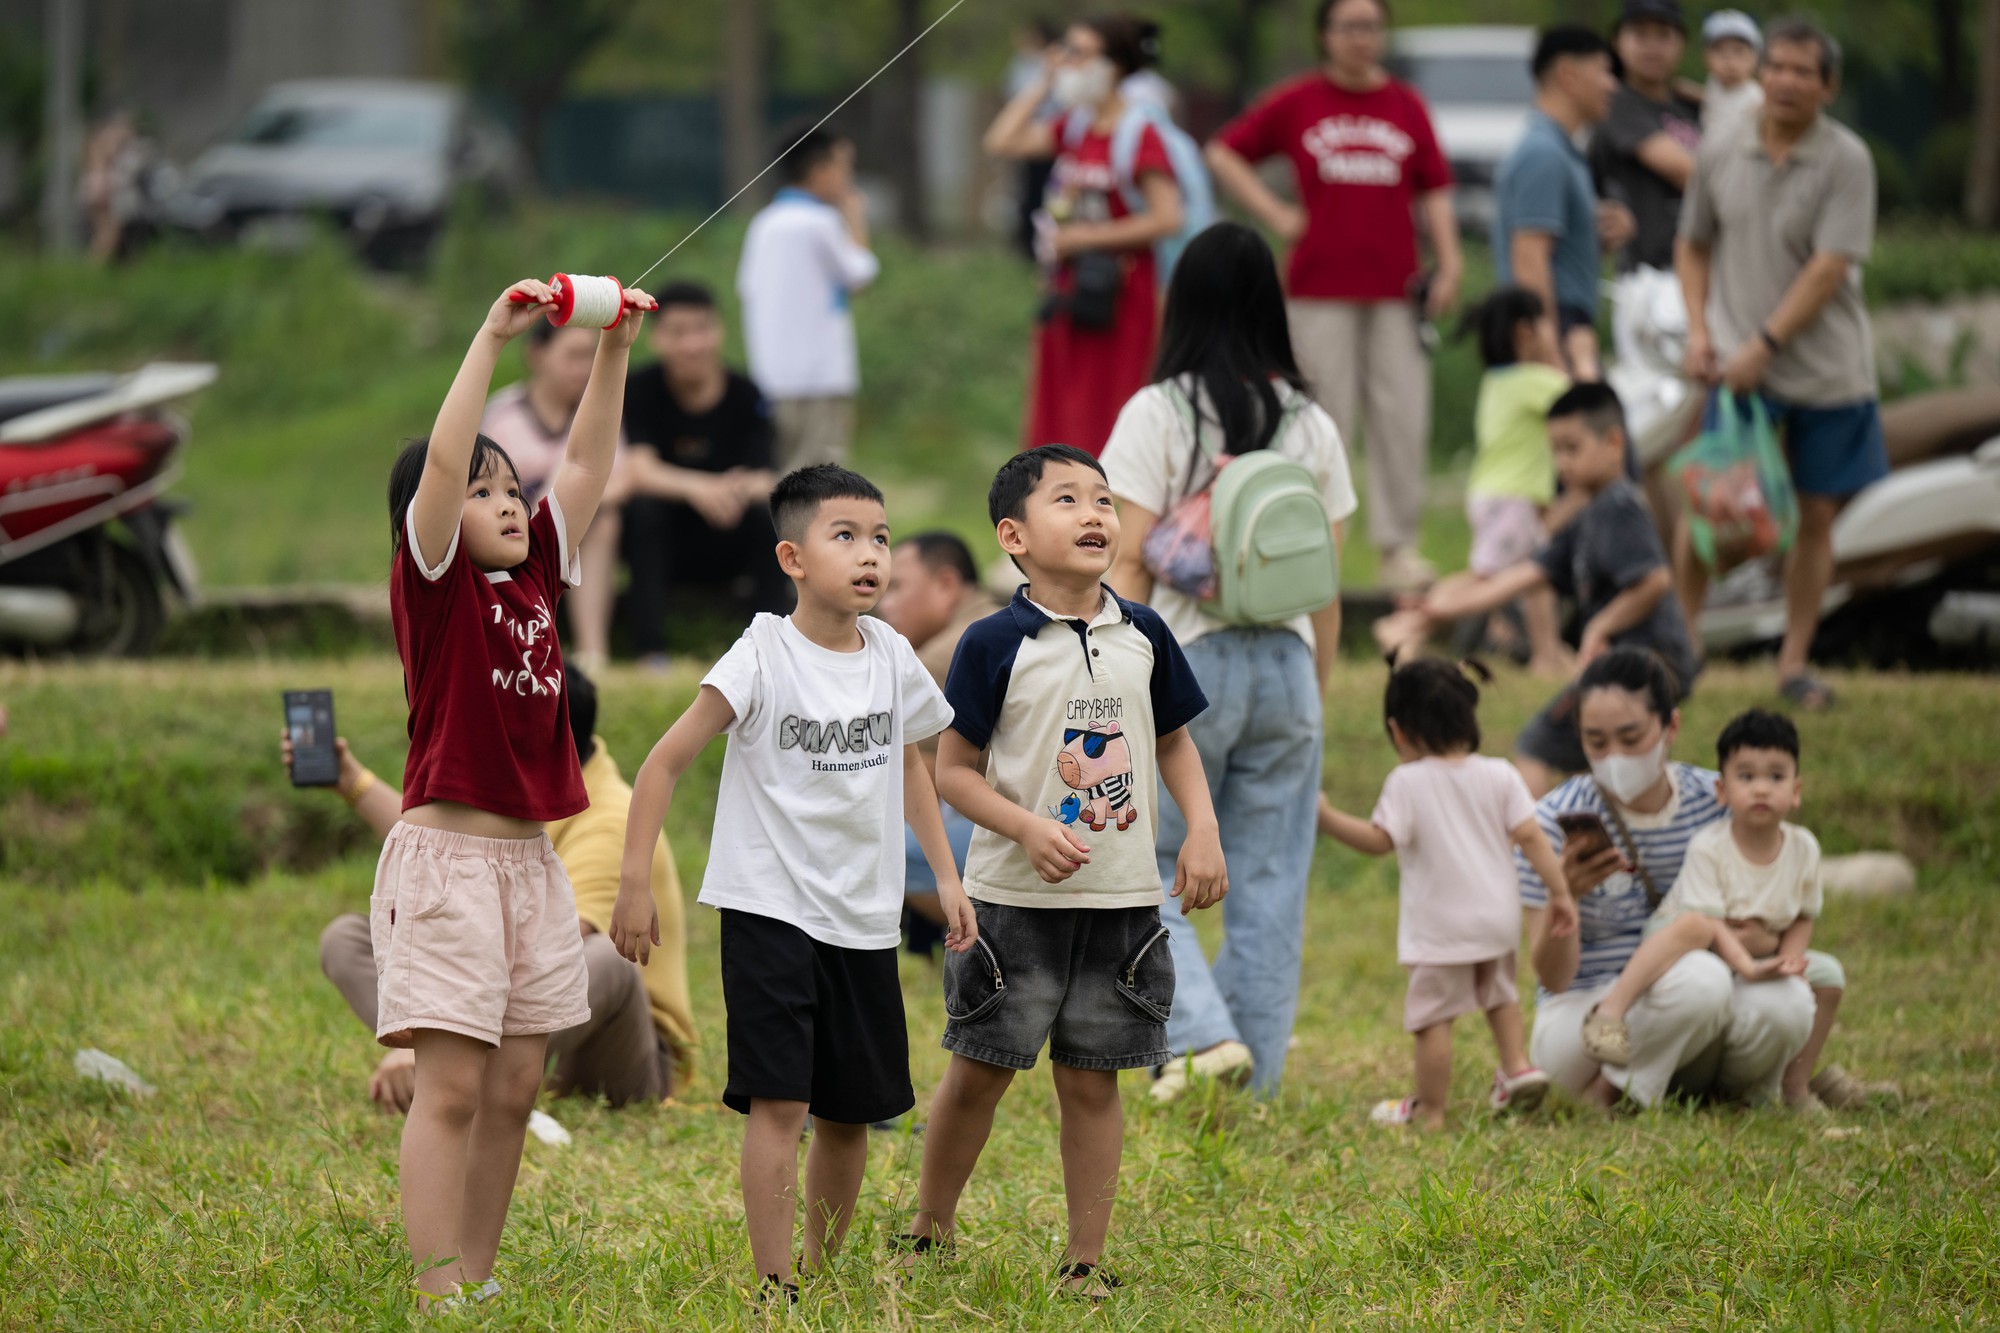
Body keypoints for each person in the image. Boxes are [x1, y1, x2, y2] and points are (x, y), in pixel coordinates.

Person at [607, 465, 973, 1302]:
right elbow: (664, 762)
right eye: (844, 535)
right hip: (770, 910)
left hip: (866, 918)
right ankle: (776, 1285)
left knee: (852, 1112)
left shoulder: (891, 653)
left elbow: (914, 764)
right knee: (781, 1103)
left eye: (880, 537)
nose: (870, 554)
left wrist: (948, 876)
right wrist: (635, 882)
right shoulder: (764, 650)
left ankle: (820, 1268)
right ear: (793, 557)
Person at [374, 276, 652, 1309]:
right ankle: (434, 1284)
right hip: (447, 860)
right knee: (448, 1087)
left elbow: (583, 462)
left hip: (529, 862)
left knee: (516, 1084)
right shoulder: (434, 581)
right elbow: (445, 464)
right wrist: (493, 332)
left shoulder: (535, 572)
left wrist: (614, 347)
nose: (502, 500)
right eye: (485, 489)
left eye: (507, 490)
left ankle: (478, 1276)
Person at [899, 445, 1223, 1298]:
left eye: (1105, 500)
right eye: (1068, 499)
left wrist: (1202, 832)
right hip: (1015, 903)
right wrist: (1026, 826)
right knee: (979, 1070)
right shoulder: (991, 642)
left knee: (1094, 1083)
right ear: (1013, 535)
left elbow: (1173, 740)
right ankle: (930, 1224)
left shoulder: (1146, 631)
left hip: (1122, 900)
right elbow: (953, 769)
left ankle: (1086, 1258)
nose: (1095, 514)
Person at [1100, 222, 1357, 1101]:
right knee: (1272, 883)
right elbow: (1326, 578)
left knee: (1138, 859)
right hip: (1287, 667)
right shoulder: (1311, 421)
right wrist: (1314, 695)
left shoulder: (1157, 412)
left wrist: (1117, 673)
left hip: (1188, 660)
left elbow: (1126, 557)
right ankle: (1253, 1079)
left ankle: (1204, 1034)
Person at [298, 666, 697, 1114]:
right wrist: (353, 782)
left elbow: (551, 954)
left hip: (620, 1056)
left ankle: (441, 1063)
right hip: (523, 1025)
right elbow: (444, 846)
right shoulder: (521, 792)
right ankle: (437, 1057)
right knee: (346, 938)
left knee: (606, 959)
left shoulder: (612, 819)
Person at [1516, 648, 1857, 1111]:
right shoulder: (1552, 822)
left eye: (1631, 737)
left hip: (1699, 1010)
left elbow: (1769, 906)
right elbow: (1553, 978)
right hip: (1584, 1026)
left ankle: (1720, 1094)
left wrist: (1763, 940)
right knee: (1702, 979)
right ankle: (1614, 1092)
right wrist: (1566, 898)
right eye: (1596, 742)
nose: (1614, 756)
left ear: (1670, 727)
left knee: (1787, 1004)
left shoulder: (1718, 799)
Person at [1206, 0, 1460, 591]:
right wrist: (1274, 212)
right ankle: (1313, 541)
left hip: (1397, 289)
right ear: (1325, 35)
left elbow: (1437, 189)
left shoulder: (1405, 104)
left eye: (1370, 26)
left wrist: (1447, 263)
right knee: (1320, 419)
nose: (1361, 38)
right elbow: (1222, 151)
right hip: (1317, 289)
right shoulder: (1298, 101)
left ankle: (1400, 547)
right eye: (1349, 27)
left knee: (1402, 417)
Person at [1674, 17, 1886, 711]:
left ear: (1829, 86)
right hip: (1734, 366)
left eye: (1804, 71)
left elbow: (1829, 268)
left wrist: (1762, 345)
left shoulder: (1847, 159)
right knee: (1712, 507)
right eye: (1778, 67)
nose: (1787, 81)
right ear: (1760, 75)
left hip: (1823, 370)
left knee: (1816, 517)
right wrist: (1702, 330)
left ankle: (1794, 661)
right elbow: (1693, 244)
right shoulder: (1721, 147)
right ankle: (1684, 648)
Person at [1318, 657, 1577, 1129]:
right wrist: (1560, 892)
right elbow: (1532, 836)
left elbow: (1380, 841)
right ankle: (1518, 1068)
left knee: (1432, 1019)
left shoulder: (1407, 781)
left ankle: (1431, 1110)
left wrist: (1327, 817)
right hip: (1498, 921)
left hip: (1440, 929)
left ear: (1399, 731)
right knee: (1501, 996)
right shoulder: (1500, 773)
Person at [1414, 383, 1700, 796]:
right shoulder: (1587, 515)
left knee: (1537, 744)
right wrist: (1441, 608)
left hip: (1649, 662)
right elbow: (1522, 576)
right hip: (1627, 666)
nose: (1561, 462)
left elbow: (1654, 581)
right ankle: (1589, 848)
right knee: (1595, 761)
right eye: (1555, 451)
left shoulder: (1619, 505)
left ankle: (1533, 853)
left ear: (1614, 443)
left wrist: (1599, 626)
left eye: (1572, 448)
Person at [985, 15, 1186, 457]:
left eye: (1078, 53)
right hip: (1068, 292)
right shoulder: (1074, 127)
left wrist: (1088, 238)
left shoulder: (1138, 132)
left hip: (1120, 298)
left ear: (1112, 65)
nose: (1066, 61)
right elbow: (1002, 141)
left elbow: (1168, 216)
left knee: (1110, 416)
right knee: (1059, 415)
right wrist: (1043, 81)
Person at [1579, 709, 1819, 1068]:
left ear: (1796, 790)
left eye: (1776, 776)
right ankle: (1611, 1009)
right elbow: (1709, 923)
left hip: (1745, 946)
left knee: (1828, 977)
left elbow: (1804, 914)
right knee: (1697, 924)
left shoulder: (1805, 848)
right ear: (1721, 790)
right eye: (1747, 776)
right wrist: (1750, 966)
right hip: (1683, 935)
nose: (1762, 788)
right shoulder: (1710, 844)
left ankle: (1797, 1079)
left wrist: (1790, 961)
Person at [1378, 288, 1572, 674]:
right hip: (1513, 500)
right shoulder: (1534, 379)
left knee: (1533, 575)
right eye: (1546, 323)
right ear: (1525, 332)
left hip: (1493, 496)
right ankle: (1408, 624)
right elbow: (1581, 403)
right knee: (1492, 579)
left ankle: (1548, 654)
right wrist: (1569, 359)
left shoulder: (1498, 381)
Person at [619, 281, 786, 666]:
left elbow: (769, 478)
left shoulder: (746, 392)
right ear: (656, 338)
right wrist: (699, 488)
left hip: (729, 532)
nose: (692, 344)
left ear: (719, 331)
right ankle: (651, 651)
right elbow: (640, 472)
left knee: (770, 518)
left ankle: (771, 649)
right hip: (664, 538)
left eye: (702, 329)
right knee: (644, 510)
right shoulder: (641, 388)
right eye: (678, 333)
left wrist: (733, 491)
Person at [480, 318, 632, 671]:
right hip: (511, 528)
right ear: (538, 354)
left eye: (589, 357)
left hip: (574, 527)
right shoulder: (503, 414)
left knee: (603, 520)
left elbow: (622, 475)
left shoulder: (598, 413)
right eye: (573, 356)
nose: (583, 368)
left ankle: (593, 651)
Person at [877, 531, 1003, 945]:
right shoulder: (997, 622)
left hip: (1013, 835)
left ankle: (984, 942)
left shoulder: (937, 658)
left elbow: (916, 785)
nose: (884, 603)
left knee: (878, 843)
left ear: (947, 584)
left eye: (896, 587)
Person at [738, 125, 879, 473]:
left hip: (772, 376)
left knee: (783, 476)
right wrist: (856, 217)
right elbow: (860, 274)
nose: (849, 178)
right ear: (820, 171)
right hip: (821, 378)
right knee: (820, 482)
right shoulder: (822, 221)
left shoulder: (763, 223)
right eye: (844, 167)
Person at [1495, 26, 1632, 381]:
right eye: (1603, 71)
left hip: (1567, 330)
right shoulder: (1544, 153)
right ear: (1568, 75)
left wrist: (1596, 235)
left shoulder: (1563, 151)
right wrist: (1551, 353)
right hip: (1557, 332)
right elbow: (1529, 258)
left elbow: (1555, 253)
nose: (1612, 85)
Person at [1590, 0, 1702, 276]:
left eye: (1663, 36)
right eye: (1640, 35)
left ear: (1682, 44)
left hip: (1701, 267)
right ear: (1617, 42)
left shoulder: (1691, 107)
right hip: (1647, 276)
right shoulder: (1617, 104)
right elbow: (1687, 172)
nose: (1652, 47)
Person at [1700, 11, 1765, 145]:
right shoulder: (1714, 82)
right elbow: (1713, 99)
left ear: (1755, 58)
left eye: (1738, 51)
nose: (1729, 60)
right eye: (1720, 51)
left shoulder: (1756, 97)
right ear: (1706, 57)